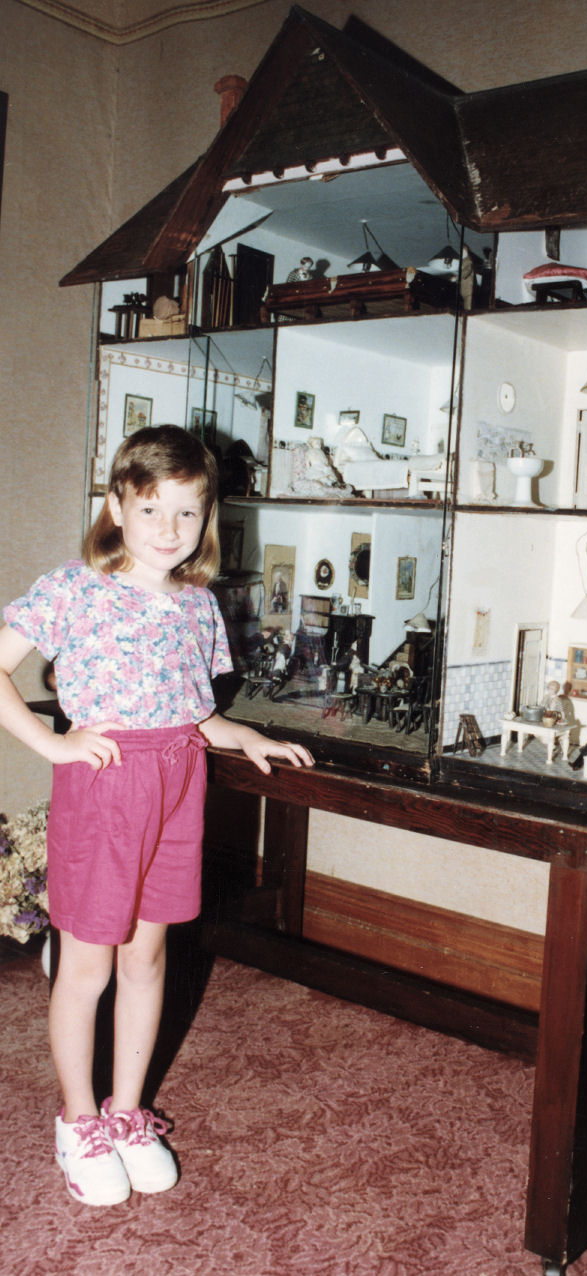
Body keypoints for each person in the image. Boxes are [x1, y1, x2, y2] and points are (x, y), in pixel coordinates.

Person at [0, 424, 314, 1208]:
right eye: (151, 510)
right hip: (106, 788)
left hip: (179, 783)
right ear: (116, 505)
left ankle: (127, 1111)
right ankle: (79, 1121)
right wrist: (53, 742)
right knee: (90, 964)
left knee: (146, 957)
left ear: (205, 518)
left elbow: (192, 713)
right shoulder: (73, 588)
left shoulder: (199, 604)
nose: (169, 530)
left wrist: (248, 737)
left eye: (187, 512)